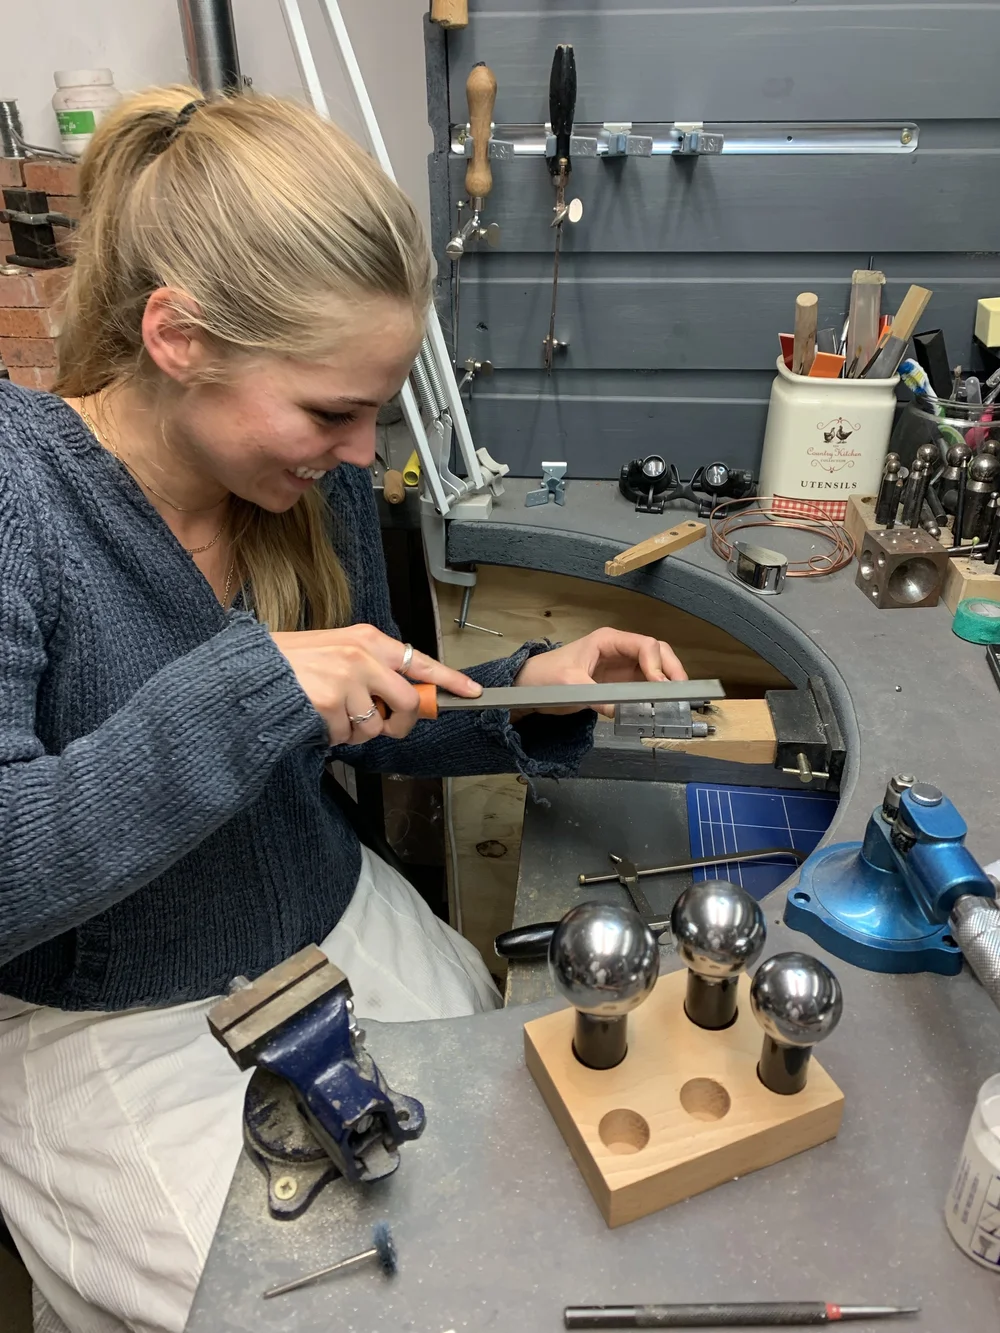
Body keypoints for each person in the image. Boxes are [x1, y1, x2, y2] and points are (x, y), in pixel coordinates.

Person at [0, 87, 686, 1333]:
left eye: (376, 407)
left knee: (508, 1204)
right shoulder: (17, 502)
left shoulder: (301, 485)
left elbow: (366, 712)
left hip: (326, 923)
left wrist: (519, 696)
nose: (366, 451)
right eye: (332, 410)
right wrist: (250, 689)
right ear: (177, 336)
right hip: (110, 1010)